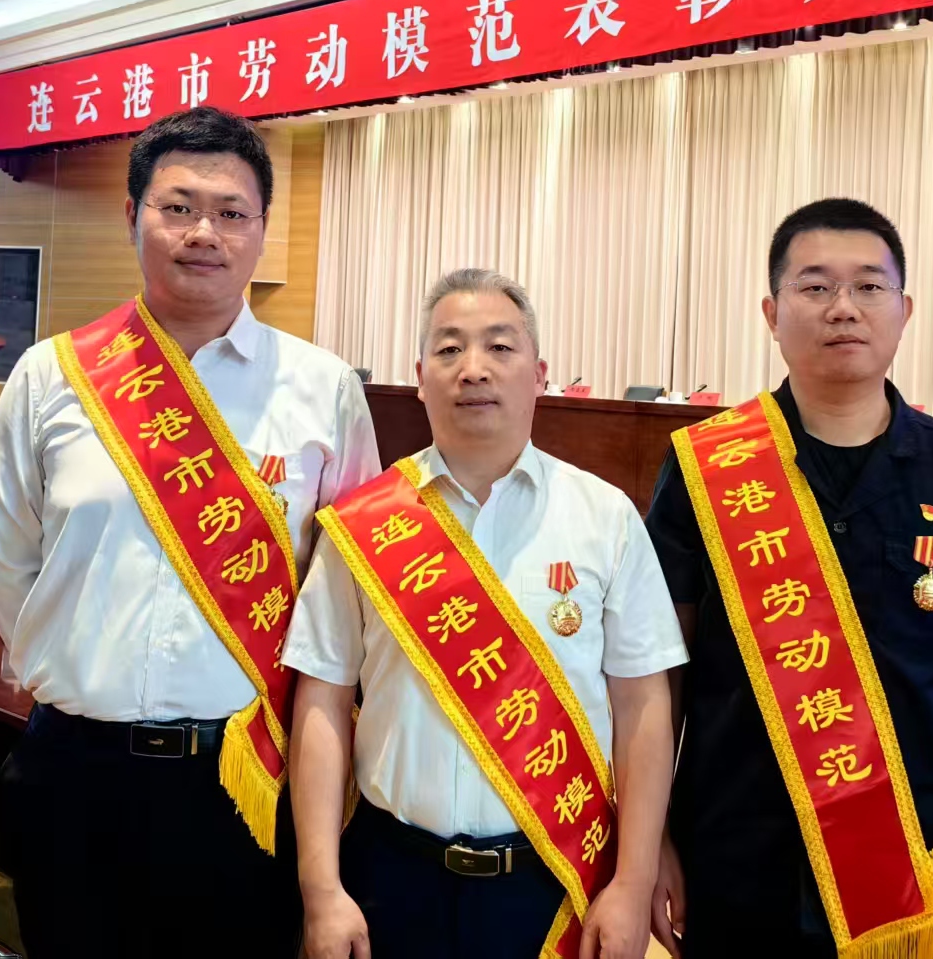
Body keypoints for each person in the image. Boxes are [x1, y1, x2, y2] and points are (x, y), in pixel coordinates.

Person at [0, 108, 381, 959]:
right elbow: (2, 562)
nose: (204, 233)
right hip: (75, 774)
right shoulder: (51, 377)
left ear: (262, 229)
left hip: (244, 781)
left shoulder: (323, 388)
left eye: (231, 212)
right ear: (133, 216)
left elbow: (346, 596)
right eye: (178, 207)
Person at [646, 198, 933, 959]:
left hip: (908, 868)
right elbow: (661, 675)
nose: (843, 307)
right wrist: (652, 842)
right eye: (815, 287)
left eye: (870, 286)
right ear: (772, 313)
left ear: (905, 310)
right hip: (732, 861)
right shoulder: (704, 471)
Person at [286, 268, 687, 959]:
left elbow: (643, 703)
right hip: (390, 877)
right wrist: (322, 888)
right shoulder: (361, 524)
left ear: (540, 374)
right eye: (449, 349)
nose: (473, 368)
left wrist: (632, 880)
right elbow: (322, 700)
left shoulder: (604, 517)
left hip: (553, 882)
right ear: (420, 378)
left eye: (500, 347)